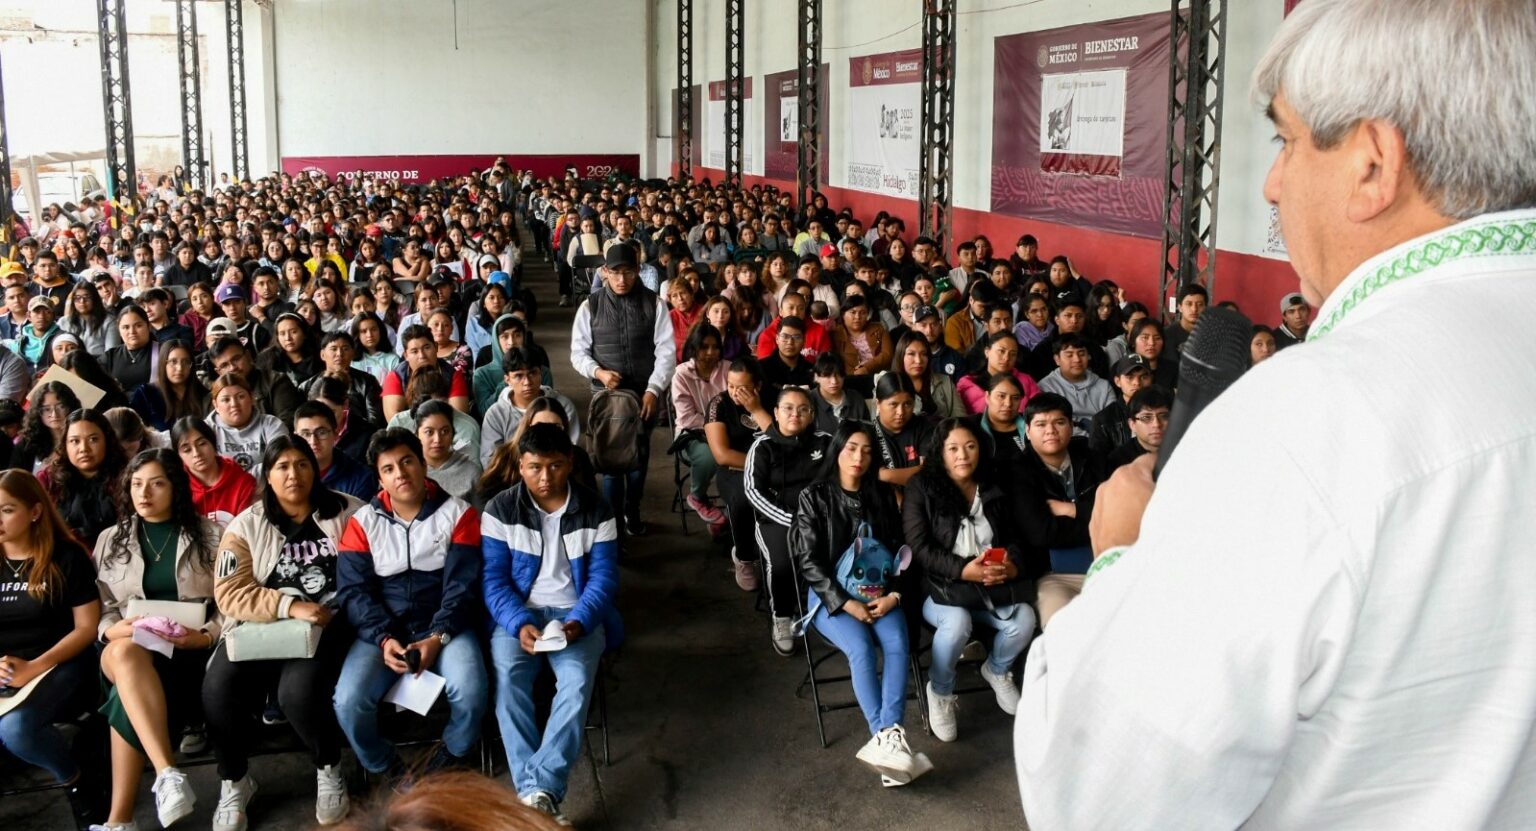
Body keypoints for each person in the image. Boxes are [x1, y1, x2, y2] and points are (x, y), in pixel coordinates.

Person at [1020, 5, 1536, 826]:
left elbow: (1097, 797)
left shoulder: (1303, 420)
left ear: (1372, 164)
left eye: (1287, 141)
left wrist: (1122, 557)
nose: (1271, 182)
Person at [202, 437, 363, 831]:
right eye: (283, 467)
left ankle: (328, 766)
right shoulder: (246, 525)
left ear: (315, 469)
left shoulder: (349, 512)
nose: (294, 475)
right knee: (218, 688)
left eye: (302, 464)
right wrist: (288, 606)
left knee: (298, 692)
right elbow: (230, 592)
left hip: (326, 628)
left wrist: (325, 614)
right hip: (259, 628)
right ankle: (234, 780)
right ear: (268, 476)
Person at [482, 424, 622, 827]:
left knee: (576, 684)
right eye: (535, 467)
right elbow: (494, 580)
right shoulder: (500, 510)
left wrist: (578, 621)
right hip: (518, 616)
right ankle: (539, 796)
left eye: (555, 466)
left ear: (570, 463)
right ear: (520, 466)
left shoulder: (597, 509)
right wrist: (518, 623)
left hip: (575, 615)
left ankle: (534, 794)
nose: (545, 477)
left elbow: (603, 579)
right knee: (508, 684)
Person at [333, 427, 486, 781]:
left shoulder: (458, 514)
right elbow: (354, 592)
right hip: (384, 632)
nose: (400, 474)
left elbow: (462, 587)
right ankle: (383, 763)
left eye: (407, 462)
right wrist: (385, 638)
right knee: (349, 702)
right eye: (388, 469)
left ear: (423, 464)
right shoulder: (362, 523)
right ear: (379, 479)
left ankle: (455, 750)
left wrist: (438, 637)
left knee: (471, 690)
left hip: (445, 626)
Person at [789, 421, 929, 785]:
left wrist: (894, 595)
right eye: (851, 448)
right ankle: (885, 735)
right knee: (862, 648)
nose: (859, 457)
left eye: (867, 451)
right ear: (837, 450)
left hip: (878, 591)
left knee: (898, 643)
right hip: (829, 596)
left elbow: (900, 551)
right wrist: (844, 603)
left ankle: (888, 740)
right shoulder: (814, 496)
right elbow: (809, 563)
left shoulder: (881, 495)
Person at [90, 450, 222, 831]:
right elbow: (103, 606)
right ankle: (167, 773)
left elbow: (229, 602)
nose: (143, 493)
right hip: (128, 648)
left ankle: (120, 821)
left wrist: (205, 636)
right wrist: (111, 629)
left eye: (156, 484)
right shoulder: (110, 539)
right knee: (123, 651)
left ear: (176, 488)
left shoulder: (212, 535)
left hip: (187, 653)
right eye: (136, 484)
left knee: (124, 697)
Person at [902, 419, 1042, 742]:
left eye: (970, 446)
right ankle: (940, 690)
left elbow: (1016, 536)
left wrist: (1012, 566)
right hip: (941, 587)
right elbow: (919, 548)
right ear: (940, 452)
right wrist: (964, 570)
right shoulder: (921, 487)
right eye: (952, 448)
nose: (962, 455)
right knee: (957, 624)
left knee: (1024, 619)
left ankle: (996, 669)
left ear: (981, 448)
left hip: (990, 584)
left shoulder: (994, 482)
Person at [0, 468, 103, 826]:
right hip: (6, 671)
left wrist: (34, 666)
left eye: (6, 510)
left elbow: (87, 628)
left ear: (35, 511)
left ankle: (76, 782)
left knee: (16, 730)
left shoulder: (66, 556)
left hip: (61, 664)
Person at [568, 244, 676, 535]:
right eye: (615, 272)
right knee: (611, 460)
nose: (621, 279)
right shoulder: (590, 306)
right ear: (604, 272)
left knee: (639, 457)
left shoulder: (654, 304)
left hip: (643, 396)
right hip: (607, 398)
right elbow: (578, 353)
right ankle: (613, 522)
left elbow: (666, 352)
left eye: (628, 272)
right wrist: (599, 372)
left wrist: (654, 389)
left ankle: (633, 510)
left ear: (638, 271)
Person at [745, 386, 830, 655]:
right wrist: (793, 520)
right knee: (782, 563)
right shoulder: (762, 446)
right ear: (776, 413)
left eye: (803, 409)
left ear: (812, 414)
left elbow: (840, 480)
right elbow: (753, 491)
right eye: (788, 409)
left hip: (821, 518)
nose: (796, 414)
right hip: (777, 520)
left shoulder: (825, 442)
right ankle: (782, 616)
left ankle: (837, 608)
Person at [1009, 392, 1105, 630]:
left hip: (1105, 564)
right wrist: (1093, 519)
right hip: (1053, 575)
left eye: (1059, 422)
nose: (1050, 431)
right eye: (1041, 424)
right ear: (1027, 431)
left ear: (1071, 426)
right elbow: (1041, 533)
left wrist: (1072, 510)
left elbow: (1116, 513)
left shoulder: (1094, 460)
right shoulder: (1017, 472)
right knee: (1060, 628)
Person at [669, 323, 729, 534]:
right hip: (692, 435)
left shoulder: (728, 370)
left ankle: (732, 510)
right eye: (704, 347)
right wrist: (716, 427)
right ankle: (698, 496)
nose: (711, 353)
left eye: (715, 347)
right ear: (693, 348)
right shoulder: (681, 375)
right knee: (711, 455)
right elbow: (687, 418)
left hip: (726, 431)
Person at [39, 408, 129, 544]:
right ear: (64, 444)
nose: (84, 449)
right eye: (75, 441)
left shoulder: (127, 477)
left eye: (93, 439)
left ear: (107, 440)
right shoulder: (48, 479)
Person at [480, 347, 581, 466]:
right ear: (507, 379)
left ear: (541, 374)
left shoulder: (563, 406)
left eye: (532, 373)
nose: (527, 382)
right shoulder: (496, 414)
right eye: (518, 376)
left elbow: (571, 452)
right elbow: (490, 460)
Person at [173, 416, 257, 530]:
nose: (196, 453)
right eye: (187, 450)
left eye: (202, 444)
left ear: (213, 443)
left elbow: (246, 531)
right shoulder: (176, 487)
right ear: (178, 456)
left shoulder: (243, 483)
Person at [208, 336, 305, 425]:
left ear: (248, 355)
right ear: (218, 372)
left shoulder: (276, 381)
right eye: (224, 365)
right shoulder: (217, 395)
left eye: (236, 359)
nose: (232, 368)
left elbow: (287, 423)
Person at [205, 373, 286, 477]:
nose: (234, 404)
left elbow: (281, 464)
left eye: (240, 397)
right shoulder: (205, 429)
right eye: (226, 400)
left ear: (251, 398)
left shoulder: (271, 424)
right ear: (215, 404)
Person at [1035, 334, 1116, 436]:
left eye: (1082, 354)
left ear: (1089, 356)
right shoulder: (1046, 387)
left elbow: (1113, 419)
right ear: (1057, 359)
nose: (1077, 359)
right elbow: (1053, 423)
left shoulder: (1104, 386)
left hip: (1101, 438)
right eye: (1069, 355)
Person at [294, 401, 376, 501]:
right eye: (306, 434)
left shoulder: (361, 478)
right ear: (295, 437)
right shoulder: (287, 474)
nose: (313, 441)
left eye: (321, 433)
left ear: (335, 434)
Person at [956, 332, 1041, 415]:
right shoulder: (967, 386)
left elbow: (1039, 412)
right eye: (1001, 351)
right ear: (987, 352)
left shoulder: (1026, 381)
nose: (1006, 358)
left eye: (1013, 354)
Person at [415, 400, 482, 504]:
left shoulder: (472, 473)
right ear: (417, 434)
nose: (437, 439)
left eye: (444, 431)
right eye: (429, 432)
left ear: (453, 434)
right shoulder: (410, 471)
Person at [869, 372, 928, 490]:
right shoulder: (867, 434)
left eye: (907, 404)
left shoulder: (923, 427)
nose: (901, 412)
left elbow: (928, 475)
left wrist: (885, 475)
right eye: (893, 404)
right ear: (878, 404)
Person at [1087, 355, 1153, 459]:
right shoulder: (1103, 420)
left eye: (1144, 377)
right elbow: (1098, 463)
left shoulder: (1166, 412)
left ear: (1151, 379)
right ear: (1118, 381)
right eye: (1130, 377)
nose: (1137, 383)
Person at [1104, 385, 1172, 471]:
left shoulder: (1185, 450)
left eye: (1164, 416)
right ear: (1132, 424)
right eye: (1146, 418)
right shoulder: (1117, 461)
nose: (1156, 424)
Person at [808, 351, 870, 433]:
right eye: (827, 375)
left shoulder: (856, 399)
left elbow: (867, 432)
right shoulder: (808, 401)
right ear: (816, 377)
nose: (834, 381)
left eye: (839, 375)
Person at [1161, 283, 1208, 358]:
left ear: (1206, 308)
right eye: (1189, 304)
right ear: (1180, 307)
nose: (1194, 309)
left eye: (1199, 304)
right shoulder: (1166, 335)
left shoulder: (1212, 335)